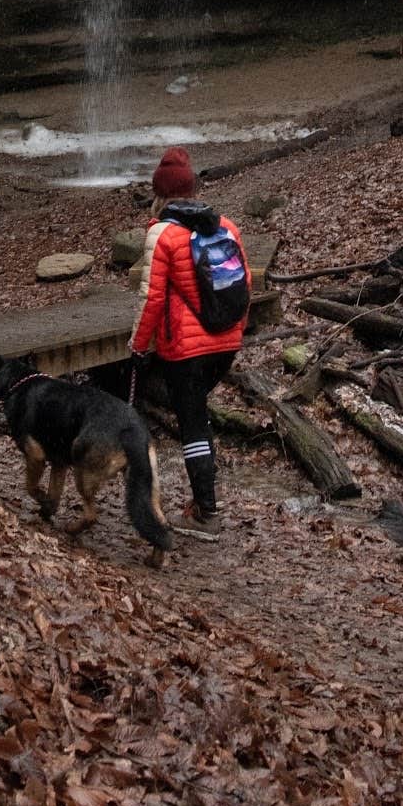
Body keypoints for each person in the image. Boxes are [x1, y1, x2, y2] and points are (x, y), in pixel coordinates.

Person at [129, 146, 251, 539]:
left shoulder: (161, 233)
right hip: (226, 341)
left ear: (160, 193)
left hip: (184, 347)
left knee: (193, 422)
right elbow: (244, 285)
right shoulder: (227, 226)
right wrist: (235, 332)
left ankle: (206, 513)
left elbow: (152, 298)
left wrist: (138, 344)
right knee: (196, 411)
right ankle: (203, 502)